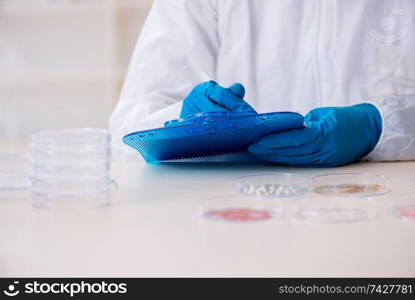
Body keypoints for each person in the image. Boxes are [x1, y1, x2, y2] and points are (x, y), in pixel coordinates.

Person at [110, 0, 415, 166]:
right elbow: (127, 132)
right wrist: (181, 121)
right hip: (238, 218)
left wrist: (383, 126)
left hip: (383, 213)